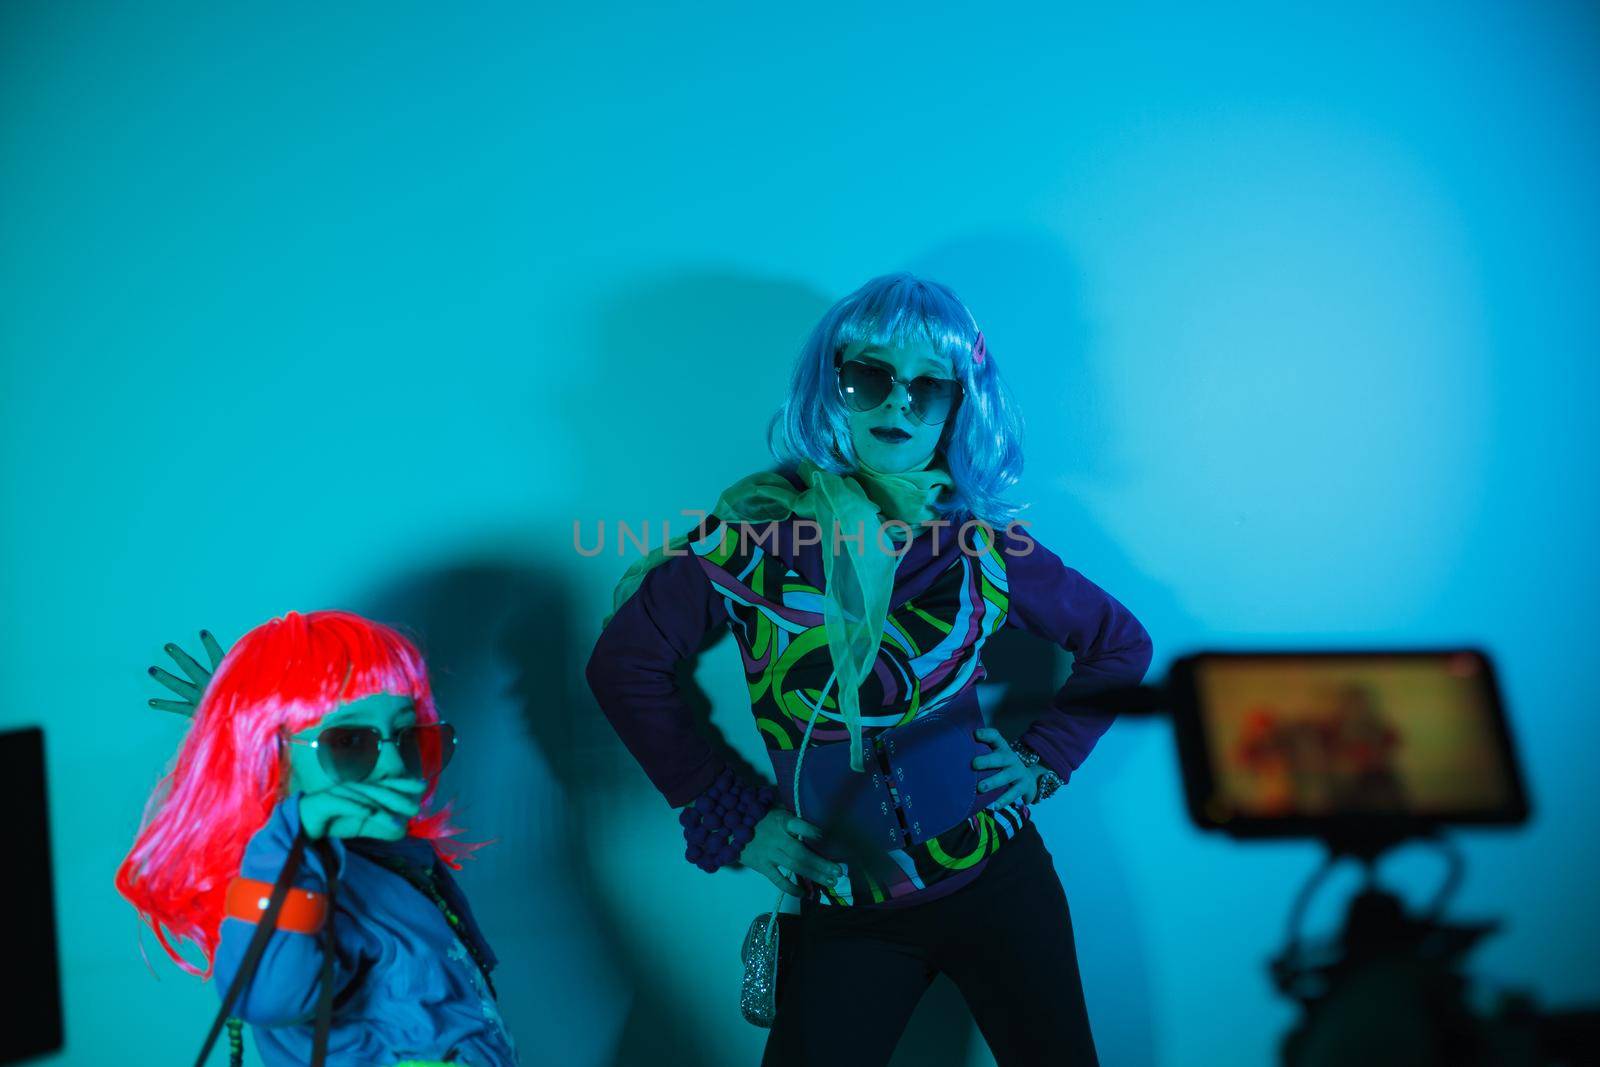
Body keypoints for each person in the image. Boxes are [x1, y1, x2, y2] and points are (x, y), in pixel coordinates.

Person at [585, 271, 1153, 1066]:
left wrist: (1042, 757)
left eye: (930, 389)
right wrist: (731, 814)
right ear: (831, 383)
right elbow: (625, 664)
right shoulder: (753, 537)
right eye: (870, 378)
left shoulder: (985, 546)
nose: (898, 404)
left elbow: (1120, 645)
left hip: (1001, 884)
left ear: (960, 405)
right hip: (850, 908)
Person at [116, 610, 519, 1066]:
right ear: (267, 758)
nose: (392, 765)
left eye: (409, 737)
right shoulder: (302, 885)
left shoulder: (395, 861)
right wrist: (248, 733)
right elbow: (264, 994)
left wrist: (258, 714)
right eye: (350, 743)